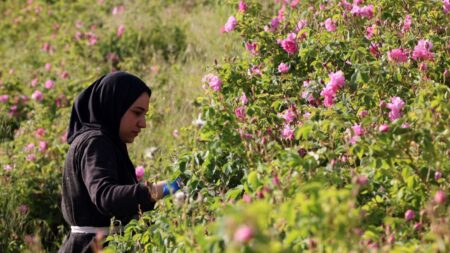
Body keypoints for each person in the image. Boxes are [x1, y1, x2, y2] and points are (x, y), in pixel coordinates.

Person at [58, 71, 181, 253]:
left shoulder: (103, 141)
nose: (143, 123)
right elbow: (105, 196)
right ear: (114, 105)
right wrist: (164, 188)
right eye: (137, 113)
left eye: (145, 114)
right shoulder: (95, 142)